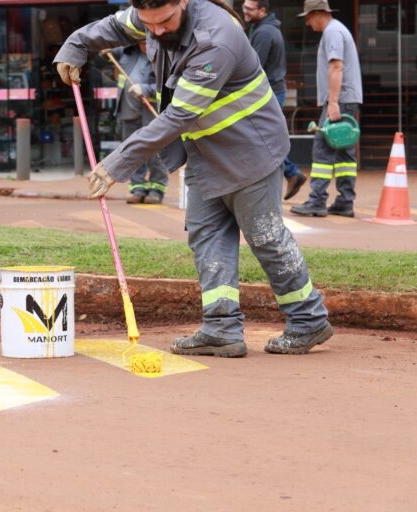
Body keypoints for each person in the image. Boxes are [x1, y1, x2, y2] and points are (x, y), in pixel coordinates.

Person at [54, 0, 332, 356]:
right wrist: (75, 46)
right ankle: (221, 327)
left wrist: (117, 164)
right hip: (206, 151)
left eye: (165, 21)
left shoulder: (215, 40)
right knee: (206, 236)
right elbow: (114, 27)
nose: (155, 31)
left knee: (265, 237)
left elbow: (178, 115)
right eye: (147, 24)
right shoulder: (153, 19)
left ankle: (308, 319)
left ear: (183, 2)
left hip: (251, 150)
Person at [291, 0, 362, 218]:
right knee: (345, 152)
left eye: (309, 17)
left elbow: (336, 65)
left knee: (322, 147)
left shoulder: (332, 32)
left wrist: (332, 101)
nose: (308, 23)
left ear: (319, 13)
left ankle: (317, 201)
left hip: (340, 100)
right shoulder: (338, 30)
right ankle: (345, 201)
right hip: (347, 99)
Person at [243, 0, 307, 200]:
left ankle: (290, 173)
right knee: (265, 137)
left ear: (263, 10)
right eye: (244, 6)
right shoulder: (267, 29)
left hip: (266, 93)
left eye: (250, 8)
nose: (245, 10)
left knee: (263, 139)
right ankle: (291, 173)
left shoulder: (263, 33)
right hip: (272, 91)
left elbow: (253, 67)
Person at [105, 42, 169, 205]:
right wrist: (104, 48)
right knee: (132, 152)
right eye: (141, 39)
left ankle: (156, 190)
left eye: (147, 39)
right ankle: (138, 188)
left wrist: (146, 89)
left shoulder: (162, 57)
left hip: (150, 114)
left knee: (155, 152)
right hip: (128, 112)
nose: (144, 43)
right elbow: (107, 46)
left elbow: (168, 88)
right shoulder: (127, 53)